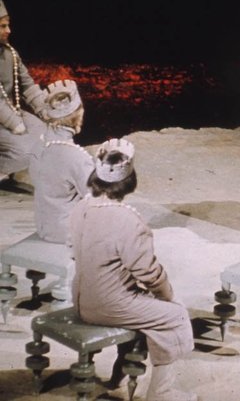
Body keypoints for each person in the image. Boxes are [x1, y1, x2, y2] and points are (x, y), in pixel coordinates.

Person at [69, 138, 197, 400]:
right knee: (176, 316)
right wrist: (167, 295)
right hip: (107, 305)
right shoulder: (127, 219)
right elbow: (149, 273)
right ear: (129, 180)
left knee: (147, 303)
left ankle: (120, 375)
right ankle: (162, 393)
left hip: (81, 297)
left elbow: (74, 251)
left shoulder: (81, 206)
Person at [28, 79, 92, 244]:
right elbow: (95, 197)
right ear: (79, 114)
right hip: (68, 233)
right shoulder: (75, 156)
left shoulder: (38, 145)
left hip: (44, 227)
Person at [0, 0, 47, 183]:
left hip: (13, 112)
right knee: (25, 152)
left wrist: (45, 110)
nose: (8, 31)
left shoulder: (10, 53)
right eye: (3, 26)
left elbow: (27, 84)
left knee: (47, 137)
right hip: (6, 118)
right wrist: (15, 123)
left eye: (8, 25)